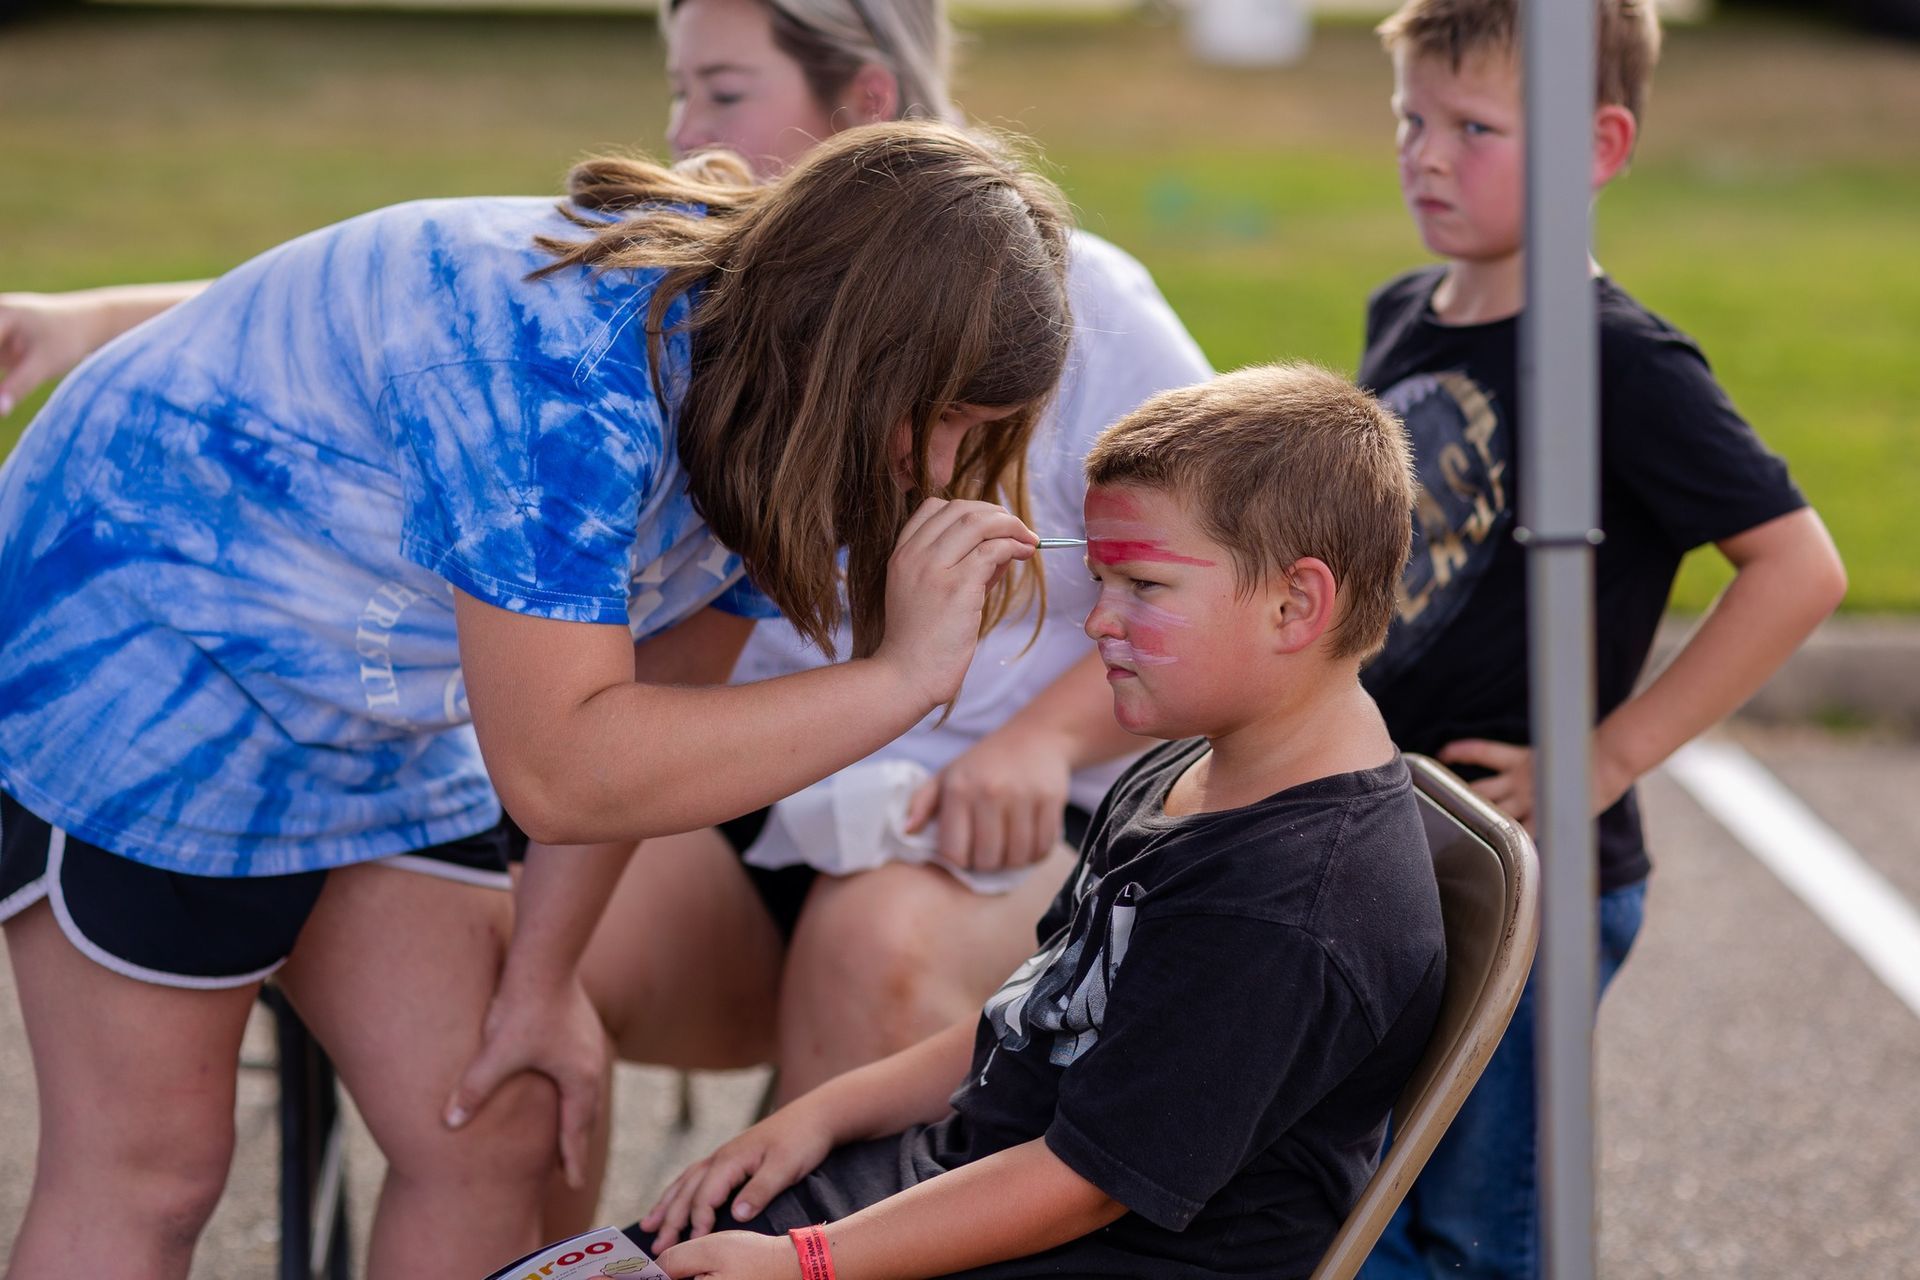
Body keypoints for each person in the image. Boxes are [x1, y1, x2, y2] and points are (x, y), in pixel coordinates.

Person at [0, 1, 1212, 1132]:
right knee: (268, 1139)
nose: (687, 133)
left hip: (885, 815)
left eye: (722, 92)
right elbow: (567, 757)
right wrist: (901, 675)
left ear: (864, 107)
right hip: (206, 676)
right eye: (683, 89)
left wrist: (1024, 732)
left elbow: (655, 700)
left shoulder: (910, 345)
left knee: (598, 1068)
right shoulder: (710, 355)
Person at [622, 363, 1448, 1280]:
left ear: (1296, 604)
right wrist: (819, 1114)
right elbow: (1034, 1014)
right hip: (973, 1177)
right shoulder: (1193, 771)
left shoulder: (1286, 909)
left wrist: (808, 1262)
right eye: (1099, 581)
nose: (1098, 622)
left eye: (1143, 584)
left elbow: (1084, 1184)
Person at [1351, 2, 1849, 1277]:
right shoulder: (1405, 309)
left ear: (1598, 145)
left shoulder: (1621, 361)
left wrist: (1607, 756)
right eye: (1413, 118)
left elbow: (1798, 566)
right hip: (1396, 839)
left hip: (1531, 871)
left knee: (1481, 1228)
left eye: (1476, 127)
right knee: (1362, 1199)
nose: (1427, 153)